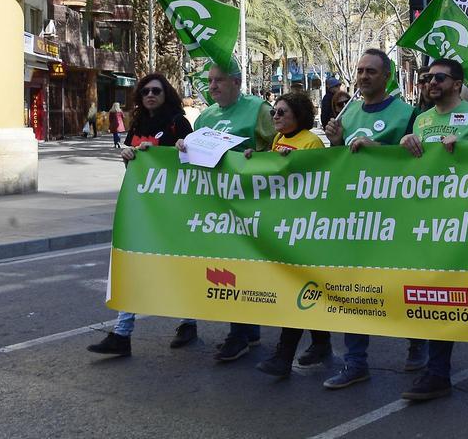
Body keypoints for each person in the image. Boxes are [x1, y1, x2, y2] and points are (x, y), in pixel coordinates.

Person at [398, 58, 468, 401]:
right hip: (435, 224)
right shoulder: (423, 119)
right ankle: (437, 371)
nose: (430, 82)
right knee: (439, 295)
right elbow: (414, 164)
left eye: (439, 77)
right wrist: (408, 142)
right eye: (426, 78)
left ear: (458, 83)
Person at [322, 48, 422, 388]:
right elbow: (339, 166)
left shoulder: (407, 113)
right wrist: (336, 143)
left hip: (396, 216)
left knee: (405, 283)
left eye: (371, 72)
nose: (364, 76)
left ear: (386, 76)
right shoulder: (348, 115)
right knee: (354, 288)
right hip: (355, 219)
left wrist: (375, 148)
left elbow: (417, 162)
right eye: (360, 71)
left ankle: (418, 345)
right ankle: (355, 362)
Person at [87, 74, 195, 357]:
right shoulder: (137, 123)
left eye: (156, 91)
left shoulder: (177, 122)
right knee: (131, 264)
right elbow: (132, 160)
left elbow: (191, 158)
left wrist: (178, 147)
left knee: (177, 265)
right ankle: (122, 333)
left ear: (166, 94)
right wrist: (128, 154)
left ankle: (189, 322)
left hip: (173, 208)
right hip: (142, 206)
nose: (150, 95)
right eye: (145, 91)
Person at [175, 63, 276, 363]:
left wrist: (255, 157)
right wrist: (184, 147)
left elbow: (277, 147)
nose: (213, 86)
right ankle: (247, 331)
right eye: (209, 81)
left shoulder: (258, 108)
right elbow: (197, 156)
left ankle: (240, 334)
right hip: (217, 206)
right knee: (228, 268)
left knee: (241, 267)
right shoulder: (205, 116)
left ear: (236, 82)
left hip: (250, 204)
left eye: (219, 80)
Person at [250, 91, 334, 377]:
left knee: (295, 290)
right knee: (304, 287)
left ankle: (284, 357)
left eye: (282, 112)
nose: (275, 117)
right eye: (274, 112)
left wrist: (293, 164)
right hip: (284, 223)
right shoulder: (278, 140)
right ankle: (322, 344)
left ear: (298, 114)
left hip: (306, 226)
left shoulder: (311, 141)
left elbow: (319, 178)